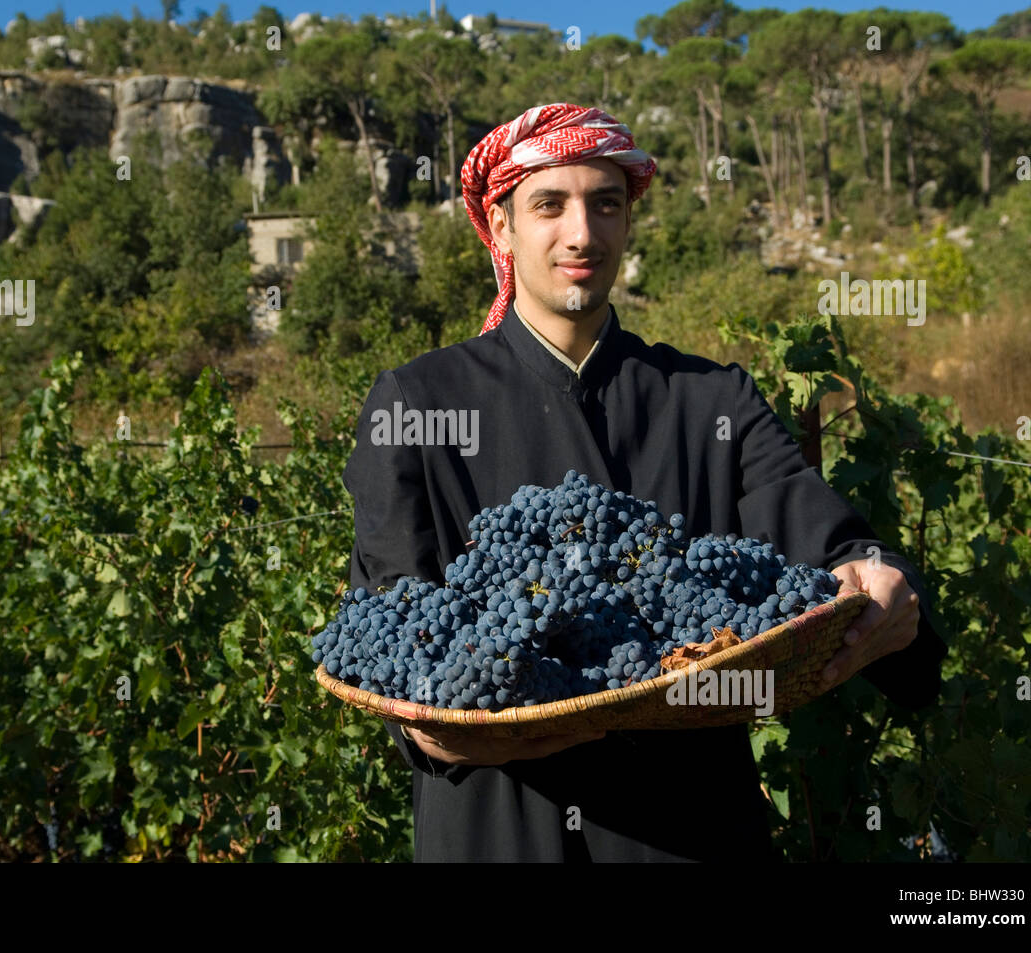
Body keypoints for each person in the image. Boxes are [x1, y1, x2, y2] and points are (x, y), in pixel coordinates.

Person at [340, 102, 947, 862]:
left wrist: (884, 582)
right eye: (548, 205)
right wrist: (433, 729)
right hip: (501, 832)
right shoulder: (418, 403)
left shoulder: (711, 399)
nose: (582, 234)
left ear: (628, 222)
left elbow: (830, 540)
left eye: (606, 204)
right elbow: (391, 621)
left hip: (692, 833)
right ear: (500, 227)